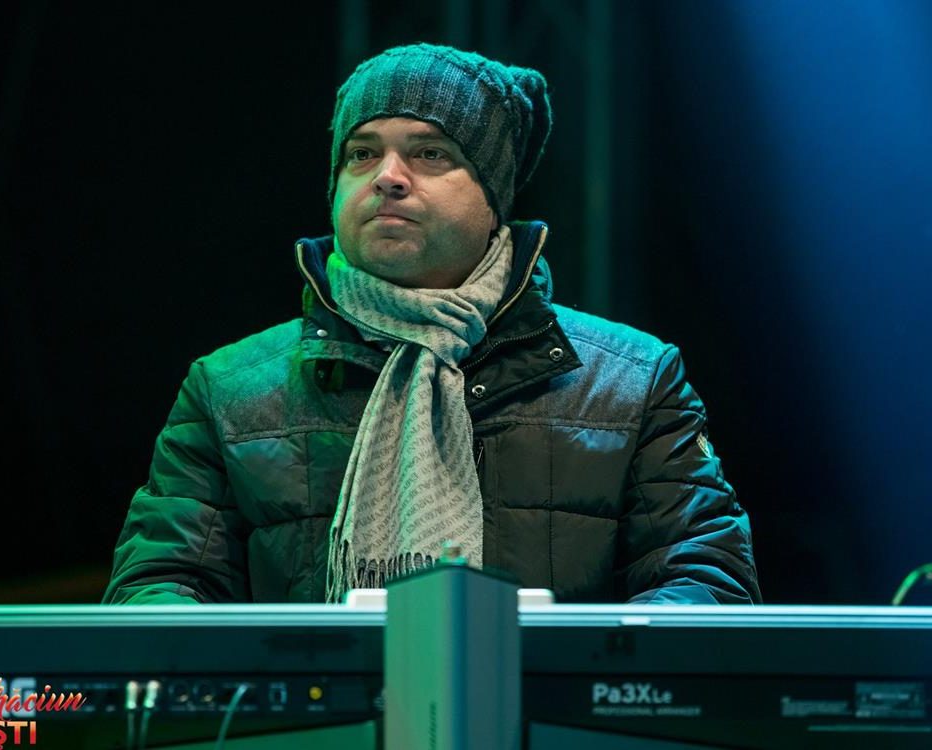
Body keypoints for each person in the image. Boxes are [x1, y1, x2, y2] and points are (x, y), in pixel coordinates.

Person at [103, 43, 761, 606]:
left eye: (430, 153)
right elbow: (159, 592)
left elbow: (705, 582)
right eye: (361, 154)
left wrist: (569, 681)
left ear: (493, 196)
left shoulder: (632, 383)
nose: (388, 177)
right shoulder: (226, 390)